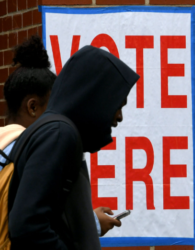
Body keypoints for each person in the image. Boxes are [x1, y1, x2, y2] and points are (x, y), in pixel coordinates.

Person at [1, 36, 136, 249]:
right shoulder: (58, 134)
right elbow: (27, 226)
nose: (119, 116)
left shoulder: (53, 130)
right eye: (117, 104)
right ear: (96, 97)